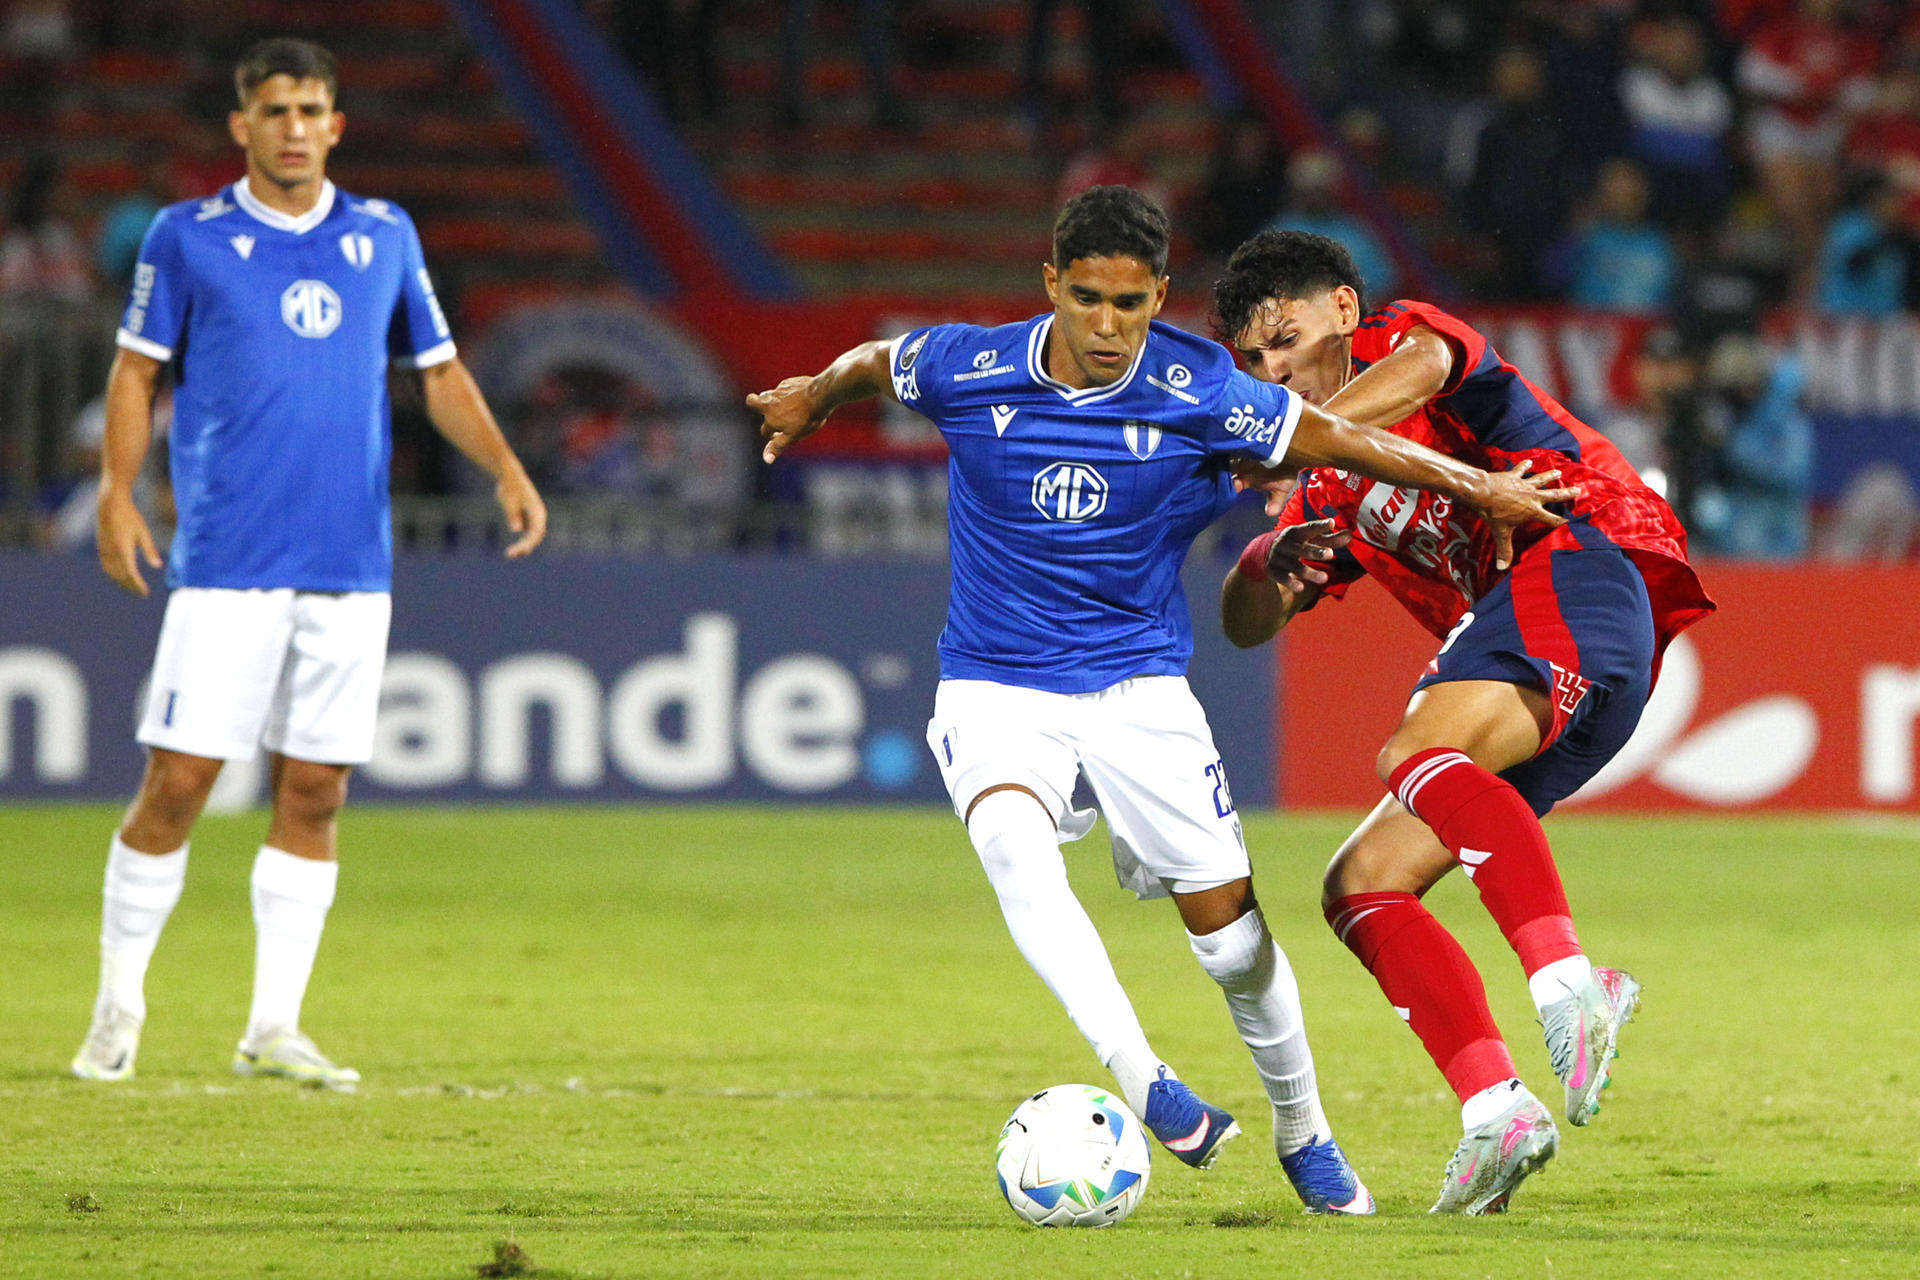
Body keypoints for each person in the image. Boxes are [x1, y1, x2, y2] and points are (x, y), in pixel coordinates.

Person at [747, 186, 1574, 1214]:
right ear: (1052, 284)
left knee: (1232, 945)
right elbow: (876, 362)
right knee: (1010, 838)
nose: (1107, 326)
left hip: (1138, 689)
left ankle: (1302, 1128)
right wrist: (813, 396)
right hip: (995, 681)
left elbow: (1336, 439)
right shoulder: (970, 363)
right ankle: (1145, 1078)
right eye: (1087, 298)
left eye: (1130, 304)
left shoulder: (1201, 385)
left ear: (1159, 297)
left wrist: (1477, 486)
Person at [71, 37, 548, 1091]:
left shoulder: (384, 234)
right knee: (181, 782)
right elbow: (135, 371)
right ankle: (118, 1002)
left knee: (318, 791)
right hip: (230, 561)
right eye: (275, 108)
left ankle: (272, 1025)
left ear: (337, 125)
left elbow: (438, 369)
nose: (294, 126)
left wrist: (507, 466)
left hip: (351, 564)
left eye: (313, 109)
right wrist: (116, 491)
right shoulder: (187, 237)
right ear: (241, 124)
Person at [1212, 229, 1714, 1214]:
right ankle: (1496, 1108)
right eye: (1254, 359)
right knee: (1361, 884)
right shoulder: (1330, 481)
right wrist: (1266, 566)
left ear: (1346, 312)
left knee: (1413, 751)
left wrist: (1283, 435)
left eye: (1285, 335)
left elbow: (1431, 367)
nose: (1273, 369)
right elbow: (1245, 623)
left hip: (1584, 559)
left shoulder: (1410, 345)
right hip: (1555, 668)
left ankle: (1573, 982)